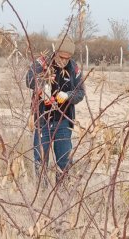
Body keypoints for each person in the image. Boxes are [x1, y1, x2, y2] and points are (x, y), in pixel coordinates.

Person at [25, 36, 86, 187]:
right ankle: (42, 192)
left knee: (64, 160)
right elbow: (29, 78)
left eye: (67, 58)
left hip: (63, 122)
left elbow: (80, 93)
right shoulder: (42, 62)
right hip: (42, 120)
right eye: (61, 57)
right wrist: (42, 85)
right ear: (55, 52)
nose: (64, 61)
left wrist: (68, 96)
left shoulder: (74, 68)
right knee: (40, 159)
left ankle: (61, 190)